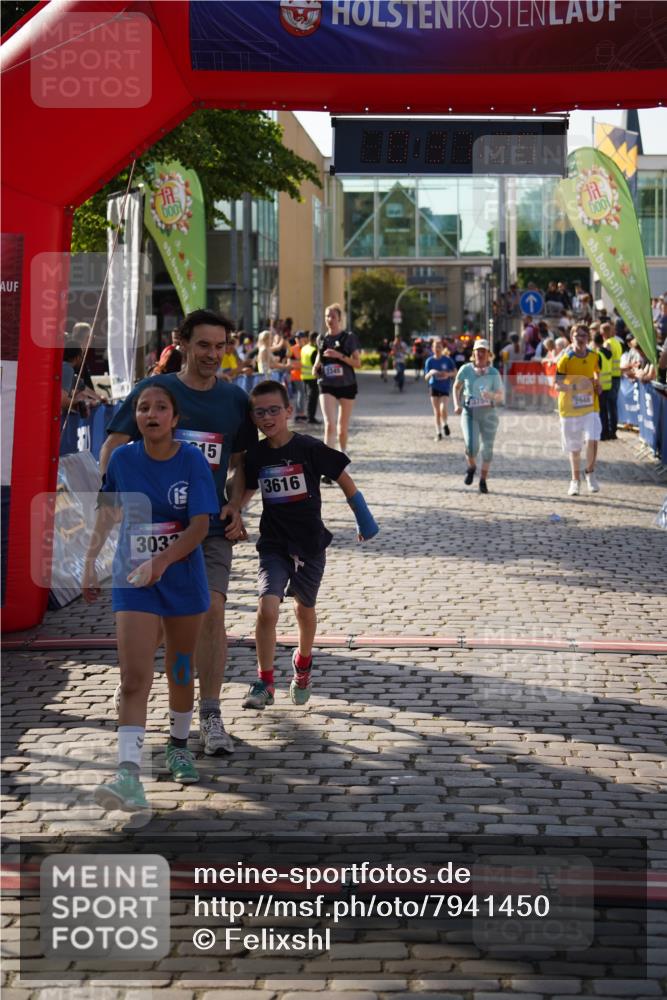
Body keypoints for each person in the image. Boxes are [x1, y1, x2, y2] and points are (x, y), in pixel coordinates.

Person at [101, 309, 257, 756]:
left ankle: (210, 714)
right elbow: (113, 444)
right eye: (203, 344)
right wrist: (116, 501)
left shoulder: (233, 400)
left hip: (206, 528)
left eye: (220, 346)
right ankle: (134, 686)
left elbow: (242, 464)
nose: (212, 354)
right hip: (151, 532)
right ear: (183, 343)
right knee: (158, 626)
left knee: (212, 609)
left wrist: (235, 504)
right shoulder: (156, 392)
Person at [83, 384, 219, 810]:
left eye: (161, 407)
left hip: (182, 581)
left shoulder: (191, 460)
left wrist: (162, 562)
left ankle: (178, 745)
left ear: (175, 419)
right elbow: (108, 512)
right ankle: (129, 774)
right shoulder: (122, 460)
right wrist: (90, 561)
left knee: (179, 669)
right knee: (133, 677)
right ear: (136, 417)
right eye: (143, 407)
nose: (151, 413)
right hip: (133, 580)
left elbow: (199, 526)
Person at [240, 380, 378, 710]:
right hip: (273, 544)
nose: (267, 417)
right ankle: (264, 682)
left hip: (311, 545)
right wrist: (234, 513)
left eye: (274, 410)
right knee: (267, 608)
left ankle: (303, 663)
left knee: (304, 609)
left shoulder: (309, 448)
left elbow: (343, 478)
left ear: (289, 410)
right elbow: (245, 490)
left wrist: (364, 519)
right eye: (260, 412)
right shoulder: (256, 455)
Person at [554, 324, 601, 496]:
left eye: (583, 335)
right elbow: (557, 385)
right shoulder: (565, 359)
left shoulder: (594, 356)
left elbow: (596, 372)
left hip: (590, 405)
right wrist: (575, 387)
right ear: (571, 338)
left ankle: (590, 472)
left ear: (588, 338)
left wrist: (597, 384)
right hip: (569, 408)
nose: (580, 339)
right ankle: (575, 481)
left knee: (592, 439)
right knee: (575, 447)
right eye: (577, 336)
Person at [453, 339, 504, 494]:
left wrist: (491, 395)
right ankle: (472, 466)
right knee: (472, 446)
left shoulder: (494, 373)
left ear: (489, 354)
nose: (480, 354)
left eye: (484, 351)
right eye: (478, 351)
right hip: (470, 413)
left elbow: (500, 396)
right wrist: (456, 404)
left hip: (489, 415)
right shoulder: (466, 369)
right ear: (473, 353)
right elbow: (456, 386)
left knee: (487, 449)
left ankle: (483, 480)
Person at [313, 303, 361, 455]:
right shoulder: (321, 338)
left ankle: (343, 454)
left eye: (333, 316)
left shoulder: (349, 338)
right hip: (326, 384)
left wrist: (339, 356)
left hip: (346, 385)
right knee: (329, 425)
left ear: (339, 319)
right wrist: (315, 367)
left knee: (342, 428)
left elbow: (357, 363)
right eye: (327, 316)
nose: (330, 319)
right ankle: (328, 461)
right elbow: (319, 358)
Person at [424, 338, 455, 440]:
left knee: (443, 408)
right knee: (436, 412)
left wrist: (447, 374)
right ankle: (438, 432)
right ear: (432, 348)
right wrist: (430, 373)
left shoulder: (447, 360)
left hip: (445, 387)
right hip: (434, 387)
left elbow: (455, 372)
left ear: (442, 348)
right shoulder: (429, 361)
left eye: (439, 347)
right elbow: (426, 377)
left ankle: (445, 424)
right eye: (435, 347)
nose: (437, 349)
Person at [602, 321, 623, 439]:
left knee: (608, 406)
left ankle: (610, 431)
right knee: (613, 405)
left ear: (604, 333)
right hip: (617, 376)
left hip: (609, 377)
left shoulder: (608, 343)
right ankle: (613, 430)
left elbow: (606, 360)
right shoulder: (617, 343)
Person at [593, 331, 613, 440]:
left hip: (601, 386)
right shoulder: (608, 353)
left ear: (594, 342)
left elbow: (597, 371)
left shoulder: (598, 354)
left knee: (601, 411)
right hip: (608, 384)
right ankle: (607, 432)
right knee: (606, 410)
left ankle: (603, 433)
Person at [300, 331, 321, 425]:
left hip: (304, 376)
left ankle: (309, 416)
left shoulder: (304, 348)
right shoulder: (314, 350)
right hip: (312, 377)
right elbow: (316, 365)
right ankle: (311, 417)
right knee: (312, 398)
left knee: (308, 397)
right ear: (314, 339)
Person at [289, 331, 308, 422]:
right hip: (296, 375)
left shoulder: (306, 348)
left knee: (302, 394)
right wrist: (301, 363)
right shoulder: (292, 349)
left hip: (305, 375)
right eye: (297, 338)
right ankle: (299, 414)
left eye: (300, 337)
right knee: (301, 393)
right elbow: (290, 363)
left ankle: (300, 413)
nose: (298, 339)